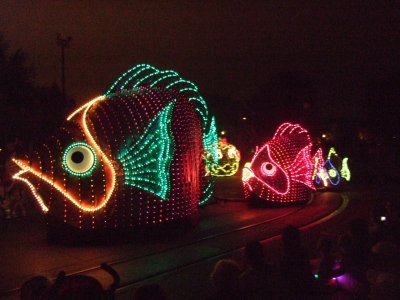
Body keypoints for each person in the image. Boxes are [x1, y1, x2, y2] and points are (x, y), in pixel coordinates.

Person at [278, 225, 317, 299]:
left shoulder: (285, 255)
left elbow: (284, 275)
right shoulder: (303, 251)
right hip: (306, 288)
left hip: (294, 290)